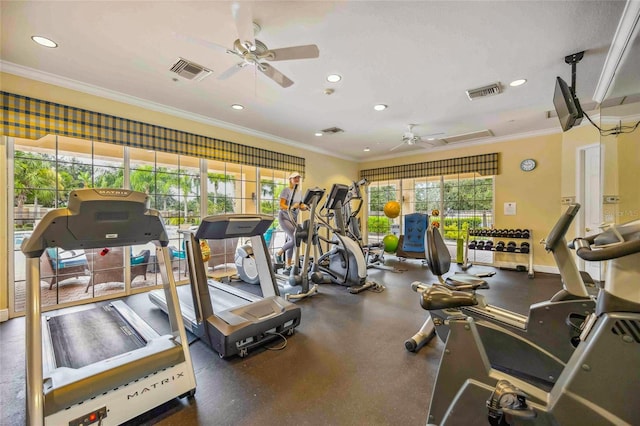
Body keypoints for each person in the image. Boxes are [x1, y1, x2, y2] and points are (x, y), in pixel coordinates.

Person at [276, 172, 307, 270]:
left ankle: (288, 264)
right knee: (294, 239)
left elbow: (300, 206)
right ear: (290, 179)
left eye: (298, 177)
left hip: (293, 218)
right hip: (284, 217)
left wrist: (304, 207)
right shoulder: (286, 190)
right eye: (295, 178)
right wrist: (292, 207)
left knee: (292, 240)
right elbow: (281, 205)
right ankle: (279, 253)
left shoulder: (299, 192)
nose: (297, 179)